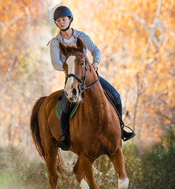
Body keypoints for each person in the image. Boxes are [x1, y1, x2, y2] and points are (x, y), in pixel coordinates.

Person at [49, 6, 135, 150]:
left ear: (70, 19)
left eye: (63, 19)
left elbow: (96, 50)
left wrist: (95, 62)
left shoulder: (81, 36)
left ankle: (121, 129)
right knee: (64, 106)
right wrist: (70, 67)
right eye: (58, 20)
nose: (61, 22)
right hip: (72, 79)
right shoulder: (55, 43)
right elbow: (55, 63)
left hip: (89, 76)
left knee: (115, 95)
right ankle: (65, 137)